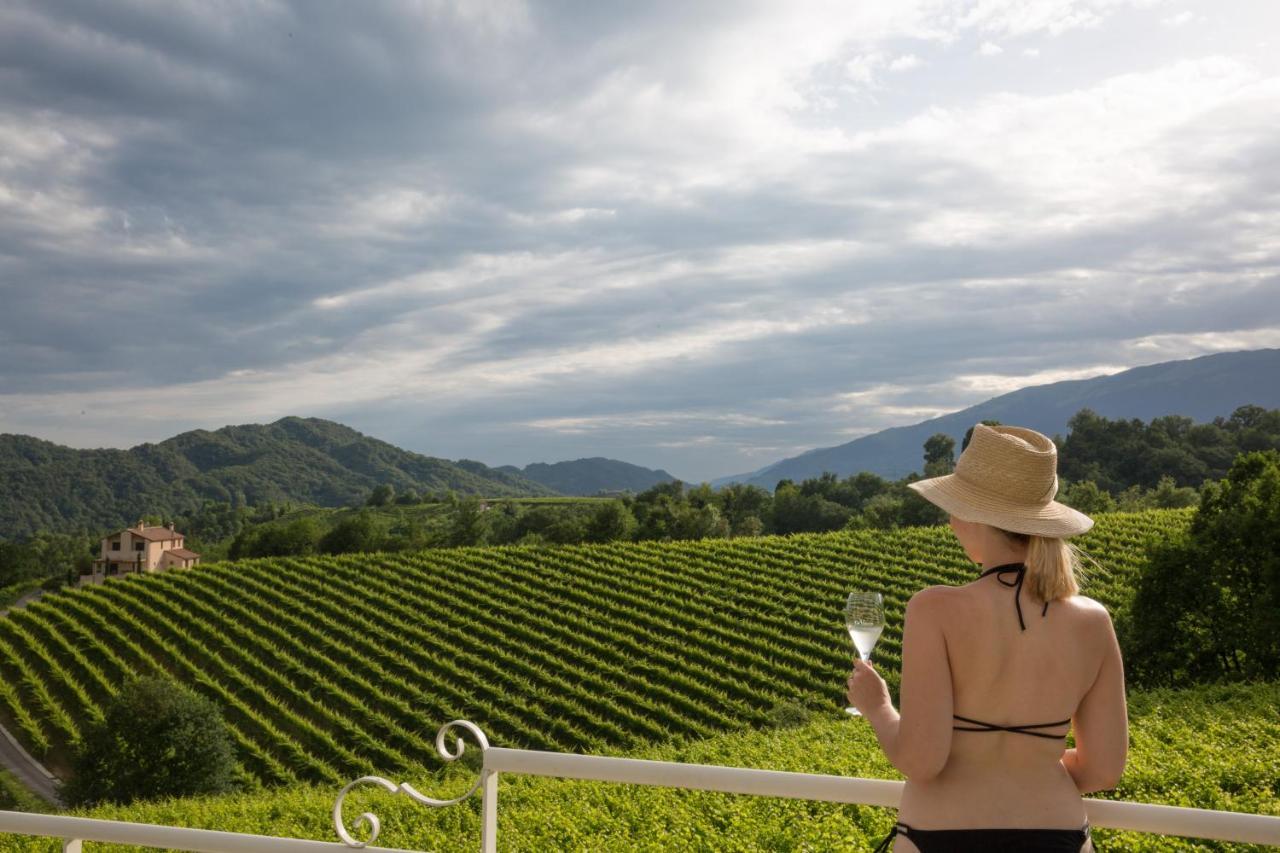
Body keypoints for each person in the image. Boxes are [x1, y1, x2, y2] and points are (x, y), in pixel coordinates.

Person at [846, 423, 1128, 853]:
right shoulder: (1093, 620)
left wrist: (879, 708)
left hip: (939, 833)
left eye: (954, 507)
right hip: (1058, 834)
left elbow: (922, 761)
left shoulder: (934, 609)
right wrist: (1026, 760)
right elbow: (1103, 770)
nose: (951, 522)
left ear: (973, 516)